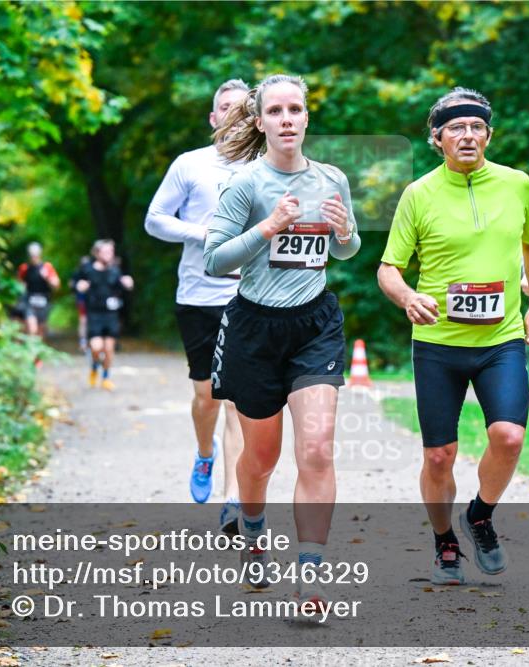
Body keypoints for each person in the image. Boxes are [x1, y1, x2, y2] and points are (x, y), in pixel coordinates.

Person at [377, 87, 529, 585]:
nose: (467, 135)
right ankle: (443, 539)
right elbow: (389, 269)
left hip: (501, 340)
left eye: (476, 127)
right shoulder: (419, 194)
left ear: (489, 135)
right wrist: (408, 297)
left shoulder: (517, 185)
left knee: (509, 436)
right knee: (439, 455)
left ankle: (479, 516)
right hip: (438, 344)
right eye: (456, 128)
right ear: (438, 137)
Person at [204, 74, 360, 610]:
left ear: (307, 117)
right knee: (262, 456)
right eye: (276, 111)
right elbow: (215, 259)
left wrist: (345, 234)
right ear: (262, 121)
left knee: (316, 449)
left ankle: (311, 572)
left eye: (295, 109)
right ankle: (251, 532)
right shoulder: (245, 184)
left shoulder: (332, 178)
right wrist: (268, 227)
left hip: (314, 325)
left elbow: (344, 251)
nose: (287, 118)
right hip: (255, 328)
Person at [145, 80, 249, 528]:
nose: (233, 116)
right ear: (213, 119)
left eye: (242, 109)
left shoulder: (268, 167)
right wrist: (201, 234)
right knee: (207, 395)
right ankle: (205, 453)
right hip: (198, 295)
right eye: (224, 108)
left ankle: (234, 500)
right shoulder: (190, 164)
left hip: (250, 297)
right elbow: (154, 220)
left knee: (237, 401)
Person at [75, 240, 134, 390]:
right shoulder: (87, 269)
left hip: (111, 315)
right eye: (106, 252)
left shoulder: (115, 270)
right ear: (96, 253)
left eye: (111, 252)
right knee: (96, 347)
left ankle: (106, 378)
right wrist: (80, 287)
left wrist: (128, 283)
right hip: (94, 314)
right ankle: (94, 367)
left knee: (108, 349)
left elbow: (122, 286)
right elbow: (76, 284)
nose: (110, 255)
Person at [16, 242, 60, 339]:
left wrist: (47, 277)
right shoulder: (24, 268)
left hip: (44, 300)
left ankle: (37, 352)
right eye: (31, 255)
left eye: (35, 255)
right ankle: (30, 351)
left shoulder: (47, 267)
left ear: (39, 254)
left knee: (40, 331)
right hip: (29, 301)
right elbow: (18, 284)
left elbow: (56, 285)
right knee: (32, 328)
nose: (33, 257)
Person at [70, 252, 95, 353]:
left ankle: (85, 342)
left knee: (85, 320)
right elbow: (72, 285)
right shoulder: (81, 272)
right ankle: (84, 342)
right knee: (84, 320)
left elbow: (71, 285)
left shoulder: (89, 272)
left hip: (89, 300)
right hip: (83, 299)